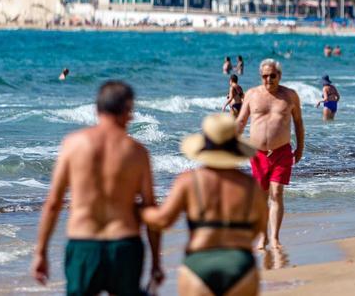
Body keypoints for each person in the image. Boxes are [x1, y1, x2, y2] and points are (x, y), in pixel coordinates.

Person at [32, 81, 163, 293]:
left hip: (84, 245)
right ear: (128, 111)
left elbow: (53, 203)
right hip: (124, 246)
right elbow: (150, 209)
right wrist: (156, 261)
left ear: (97, 109)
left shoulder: (73, 144)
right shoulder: (137, 152)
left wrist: (41, 252)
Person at [142, 114, 267, 296]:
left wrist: (141, 210)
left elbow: (163, 220)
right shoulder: (250, 185)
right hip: (240, 264)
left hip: (198, 264)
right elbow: (260, 226)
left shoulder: (188, 181)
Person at [235, 59, 304, 248]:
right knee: (261, 197)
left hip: (282, 151)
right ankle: (263, 236)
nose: (268, 80)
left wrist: (300, 148)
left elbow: (298, 123)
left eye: (272, 76)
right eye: (264, 76)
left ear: (279, 76)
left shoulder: (290, 96)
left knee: (277, 192)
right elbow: (241, 121)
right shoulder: (252, 95)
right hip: (257, 154)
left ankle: (274, 238)